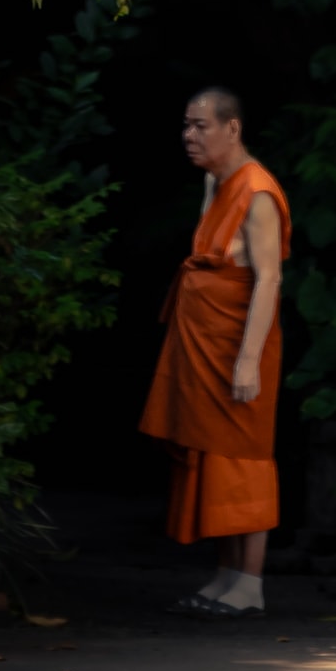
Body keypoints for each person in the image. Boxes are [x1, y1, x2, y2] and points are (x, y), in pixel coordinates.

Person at [138, 85, 291, 620]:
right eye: (186, 125)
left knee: (244, 459)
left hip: (239, 346)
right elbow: (208, 256)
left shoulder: (259, 193)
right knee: (210, 456)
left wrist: (247, 360)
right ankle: (227, 574)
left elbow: (268, 279)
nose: (189, 135)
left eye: (201, 125)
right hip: (206, 346)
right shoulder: (217, 183)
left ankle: (250, 581)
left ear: (233, 129)